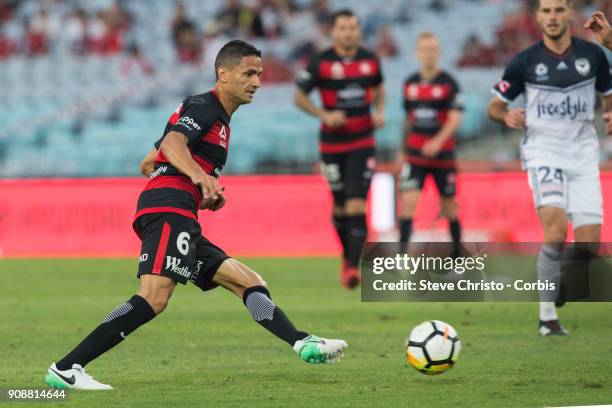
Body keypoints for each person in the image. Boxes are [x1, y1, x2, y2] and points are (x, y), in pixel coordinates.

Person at [45, 40, 348, 391]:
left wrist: (200, 189)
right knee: (154, 296)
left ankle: (302, 342)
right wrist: (200, 177)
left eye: (260, 74)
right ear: (224, 74)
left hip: (180, 210)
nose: (258, 82)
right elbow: (173, 145)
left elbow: (149, 163)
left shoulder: (218, 120)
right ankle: (66, 368)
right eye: (249, 73)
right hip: (168, 210)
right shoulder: (204, 105)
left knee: (248, 281)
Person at [487, 0, 612, 336]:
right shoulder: (524, 62)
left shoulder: (595, 55)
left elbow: (607, 93)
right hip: (544, 153)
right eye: (547, 11)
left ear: (570, 13)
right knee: (555, 232)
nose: (553, 16)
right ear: (537, 17)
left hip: (584, 154)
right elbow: (494, 106)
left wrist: (609, 112)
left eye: (559, 10)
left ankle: (557, 283)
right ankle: (547, 318)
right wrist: (506, 114)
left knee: (588, 249)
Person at [294, 9, 385, 289]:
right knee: (341, 207)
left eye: (353, 28)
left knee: (357, 204)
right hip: (332, 144)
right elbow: (299, 97)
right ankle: (347, 256)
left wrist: (378, 110)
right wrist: (325, 115)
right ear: (333, 32)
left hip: (362, 141)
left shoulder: (370, 60)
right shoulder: (321, 61)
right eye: (344, 28)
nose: (349, 33)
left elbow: (379, 88)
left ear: (359, 31)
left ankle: (351, 266)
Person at [396, 32, 463, 252]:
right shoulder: (410, 84)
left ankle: (456, 255)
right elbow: (408, 119)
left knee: (449, 207)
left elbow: (454, 119)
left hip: (443, 155)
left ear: (439, 52)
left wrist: (437, 141)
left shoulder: (449, 84)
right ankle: (401, 255)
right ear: (417, 53)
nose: (429, 54)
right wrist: (401, 150)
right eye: (424, 49)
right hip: (415, 155)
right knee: (408, 202)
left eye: (433, 49)